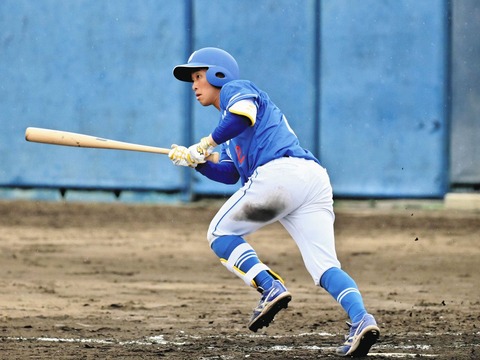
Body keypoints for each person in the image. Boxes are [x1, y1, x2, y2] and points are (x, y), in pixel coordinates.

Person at [168, 47, 380, 357]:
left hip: (281, 173)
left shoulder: (235, 90)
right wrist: (197, 163)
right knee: (324, 266)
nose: (195, 85)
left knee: (219, 233)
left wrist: (204, 144)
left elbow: (242, 116)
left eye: (198, 76)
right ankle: (361, 318)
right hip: (311, 180)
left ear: (218, 75)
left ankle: (269, 285)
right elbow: (229, 174)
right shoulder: (228, 135)